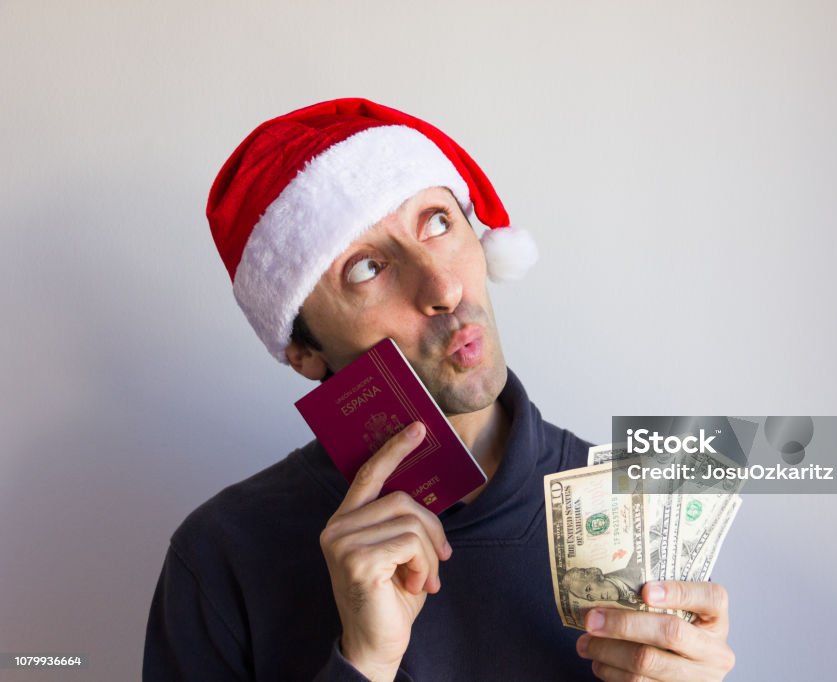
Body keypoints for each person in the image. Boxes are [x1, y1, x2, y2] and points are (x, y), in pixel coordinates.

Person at [143, 98, 736, 681]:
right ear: (305, 353)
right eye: (366, 267)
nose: (443, 286)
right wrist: (364, 665)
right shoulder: (222, 556)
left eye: (437, 221)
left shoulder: (640, 512)